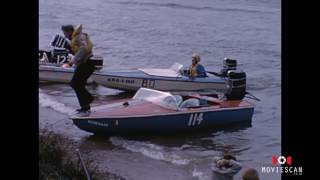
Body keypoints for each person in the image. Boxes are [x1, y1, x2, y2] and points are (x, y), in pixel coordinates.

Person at [63, 24, 95, 114]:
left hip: (87, 63)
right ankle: (85, 107)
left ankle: (89, 99)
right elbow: (79, 51)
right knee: (77, 85)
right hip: (84, 64)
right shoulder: (74, 38)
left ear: (69, 31)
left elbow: (84, 48)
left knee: (75, 84)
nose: (64, 35)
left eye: (64, 33)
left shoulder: (78, 37)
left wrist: (72, 62)